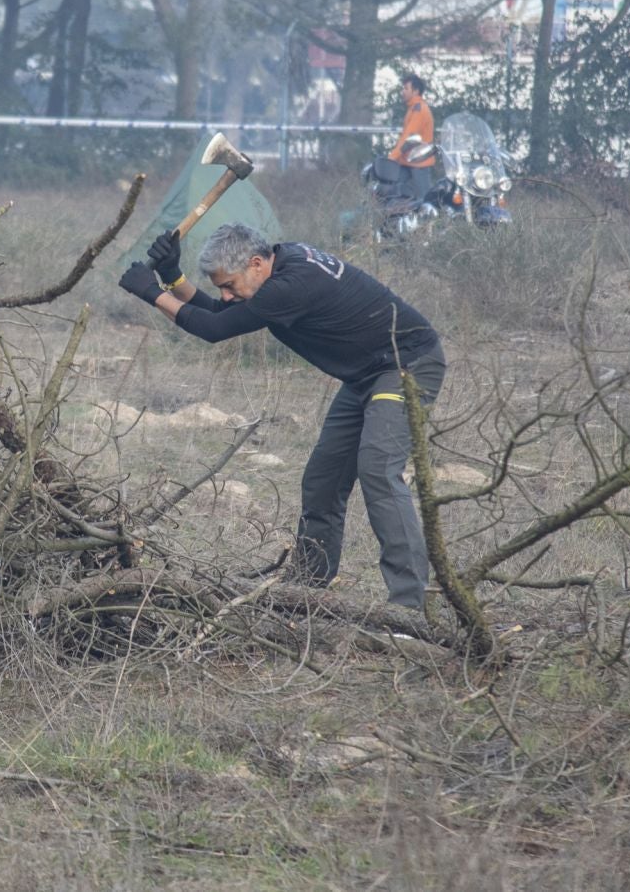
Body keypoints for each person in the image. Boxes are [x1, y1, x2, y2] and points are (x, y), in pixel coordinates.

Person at [118, 224, 446, 613]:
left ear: (256, 264)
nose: (226, 293)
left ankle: (410, 609)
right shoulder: (278, 267)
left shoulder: (293, 285)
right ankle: (307, 591)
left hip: (407, 364)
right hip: (365, 376)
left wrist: (151, 292)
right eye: (221, 285)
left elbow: (213, 327)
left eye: (229, 283)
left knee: (378, 469)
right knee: (322, 480)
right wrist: (173, 277)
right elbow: (223, 311)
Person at [386, 73, 436, 203]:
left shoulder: (419, 110)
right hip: (408, 161)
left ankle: (432, 222)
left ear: (416, 91)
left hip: (419, 161)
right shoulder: (414, 108)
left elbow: (408, 137)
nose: (403, 92)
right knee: (394, 191)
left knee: (425, 199)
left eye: (406, 88)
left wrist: (392, 158)